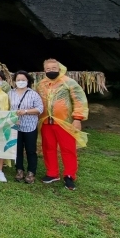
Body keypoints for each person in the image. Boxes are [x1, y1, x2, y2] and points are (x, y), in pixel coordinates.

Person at [36, 59, 89, 190]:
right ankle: (52, 173)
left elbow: (79, 100)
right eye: (48, 69)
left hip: (65, 122)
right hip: (46, 122)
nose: (51, 71)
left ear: (59, 68)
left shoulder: (68, 82)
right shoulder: (41, 84)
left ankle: (69, 175)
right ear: (44, 70)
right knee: (48, 148)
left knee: (68, 149)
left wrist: (77, 118)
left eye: (53, 68)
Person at [8, 71, 44, 184]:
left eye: (23, 80)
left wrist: (26, 111)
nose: (20, 82)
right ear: (14, 81)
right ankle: (19, 170)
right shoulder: (10, 93)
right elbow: (6, 108)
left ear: (28, 81)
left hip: (30, 125)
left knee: (31, 150)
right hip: (15, 125)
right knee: (17, 149)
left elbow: (40, 109)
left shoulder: (33, 94)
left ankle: (31, 172)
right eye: (18, 80)